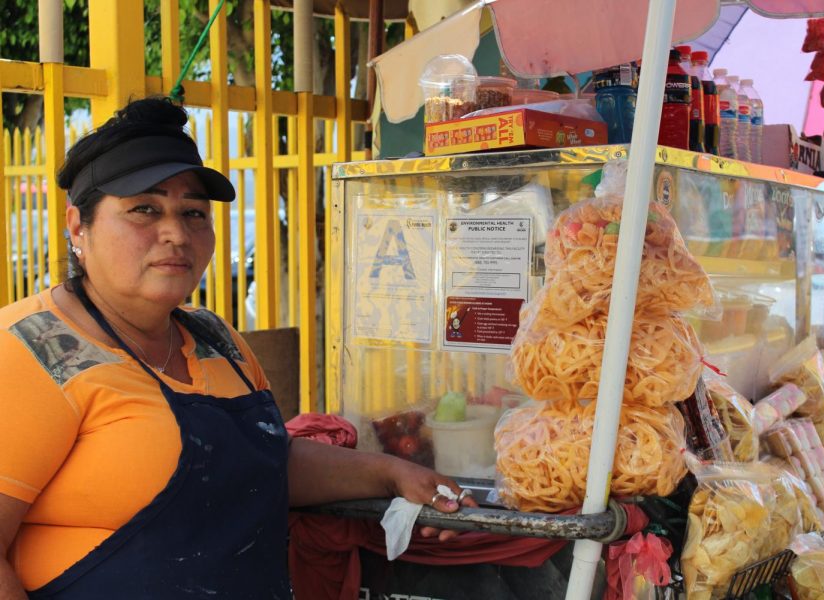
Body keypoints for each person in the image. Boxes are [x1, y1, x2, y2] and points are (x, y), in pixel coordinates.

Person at [0, 97, 475, 599]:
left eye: (193, 213)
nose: (176, 233)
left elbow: (263, 462)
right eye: (144, 209)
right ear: (78, 225)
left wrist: (394, 474)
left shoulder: (213, 339)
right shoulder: (30, 352)